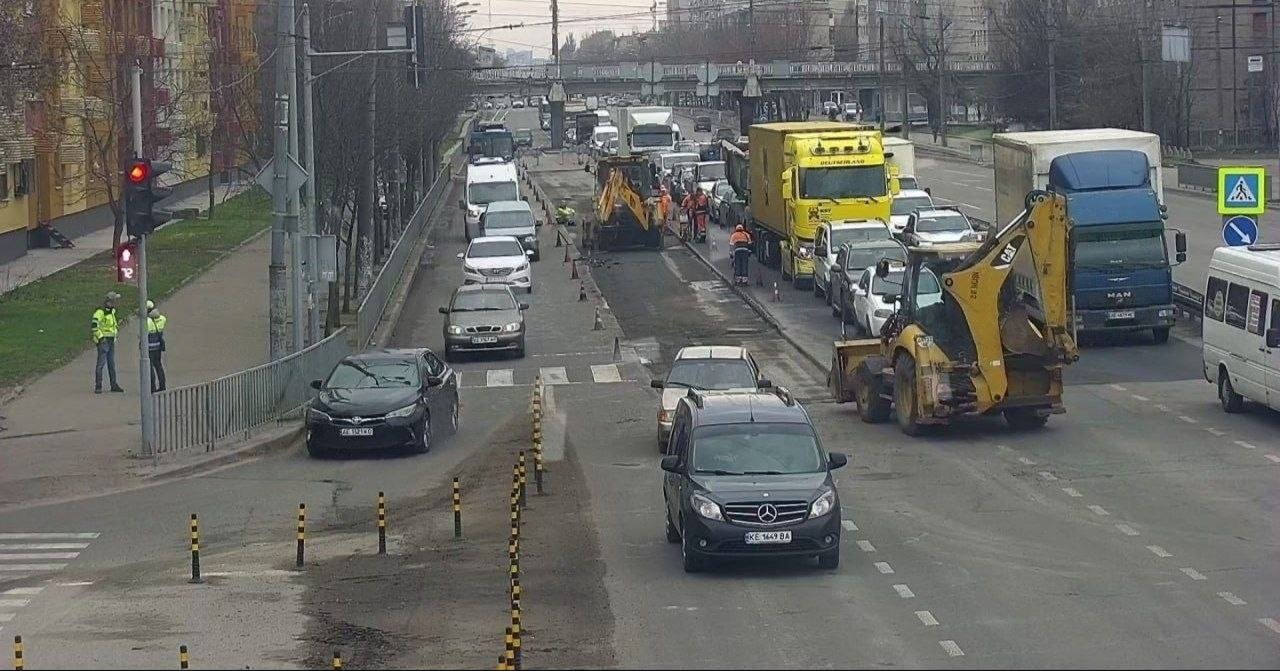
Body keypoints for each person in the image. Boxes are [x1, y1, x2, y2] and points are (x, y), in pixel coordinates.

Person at [92, 292, 124, 394]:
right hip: (104, 341)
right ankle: (98, 386)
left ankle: (113, 385)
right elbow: (94, 326)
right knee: (101, 363)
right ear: (110, 302)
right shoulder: (100, 313)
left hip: (110, 340)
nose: (117, 302)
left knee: (111, 364)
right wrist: (101, 338)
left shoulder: (112, 312)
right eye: (115, 300)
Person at [146, 300, 167, 392]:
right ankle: (162, 385)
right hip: (158, 347)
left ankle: (152, 387)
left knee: (149, 368)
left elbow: (141, 335)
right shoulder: (162, 319)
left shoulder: (147, 321)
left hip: (149, 348)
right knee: (158, 366)